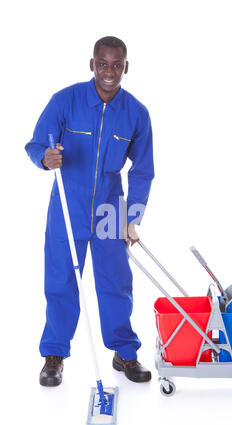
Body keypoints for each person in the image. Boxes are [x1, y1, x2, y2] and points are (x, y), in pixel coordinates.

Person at [25, 36, 154, 387]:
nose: (109, 72)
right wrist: (44, 158)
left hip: (111, 210)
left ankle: (124, 350)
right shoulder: (65, 101)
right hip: (68, 206)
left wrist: (132, 218)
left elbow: (142, 170)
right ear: (92, 64)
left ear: (125, 66)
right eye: (102, 64)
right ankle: (54, 353)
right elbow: (36, 144)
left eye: (116, 65)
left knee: (116, 282)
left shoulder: (136, 113)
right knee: (61, 281)